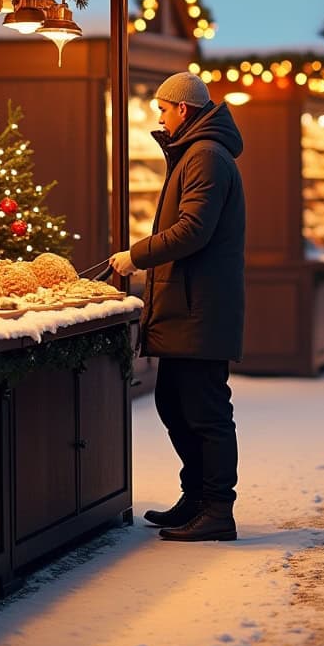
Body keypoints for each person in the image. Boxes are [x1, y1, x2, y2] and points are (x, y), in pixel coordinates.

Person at [110, 72, 245, 542]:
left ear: (183, 110)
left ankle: (217, 508)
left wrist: (136, 255)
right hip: (189, 304)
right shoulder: (195, 152)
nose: (160, 117)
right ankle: (197, 497)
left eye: (164, 110)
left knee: (205, 411)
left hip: (200, 306)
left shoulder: (205, 155)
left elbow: (193, 230)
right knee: (172, 402)